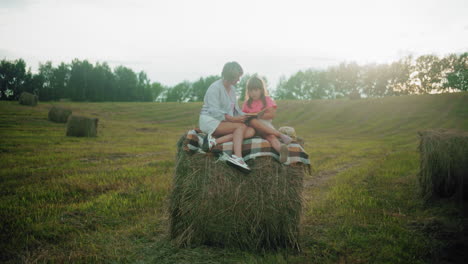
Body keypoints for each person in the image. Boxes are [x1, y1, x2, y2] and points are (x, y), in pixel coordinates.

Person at [199, 62, 255, 172]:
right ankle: (238, 158)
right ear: (231, 76)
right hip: (210, 120)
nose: (239, 80)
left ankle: (214, 142)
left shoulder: (232, 90)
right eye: (238, 77)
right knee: (240, 127)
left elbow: (236, 110)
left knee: (251, 131)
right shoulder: (215, 88)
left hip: (224, 121)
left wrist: (247, 116)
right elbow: (214, 111)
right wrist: (233, 119)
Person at [242, 75, 292, 163]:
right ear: (248, 91)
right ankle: (279, 134)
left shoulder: (267, 100)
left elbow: (272, 115)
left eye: (256, 90)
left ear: (261, 90)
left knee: (271, 137)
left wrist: (258, 115)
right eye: (251, 90)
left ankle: (281, 150)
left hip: (265, 125)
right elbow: (243, 116)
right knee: (252, 121)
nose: (253, 93)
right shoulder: (246, 103)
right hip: (251, 127)